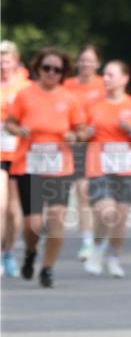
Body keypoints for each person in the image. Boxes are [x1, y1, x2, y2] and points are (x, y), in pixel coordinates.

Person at [4, 47, 86, 287]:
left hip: (60, 166)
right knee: (34, 224)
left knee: (56, 218)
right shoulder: (25, 96)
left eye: (57, 70)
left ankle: (48, 268)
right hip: (29, 165)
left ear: (63, 73)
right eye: (46, 68)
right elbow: (10, 123)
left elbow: (82, 129)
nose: (51, 73)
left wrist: (75, 136)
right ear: (37, 69)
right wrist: (19, 130)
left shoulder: (69, 99)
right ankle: (30, 252)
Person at [81, 60, 131, 278]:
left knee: (120, 217)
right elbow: (81, 133)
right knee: (106, 212)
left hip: (128, 168)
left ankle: (114, 256)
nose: (106, 78)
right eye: (105, 75)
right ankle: (98, 248)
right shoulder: (94, 107)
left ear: (124, 78)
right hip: (99, 166)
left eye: (111, 75)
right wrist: (85, 133)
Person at [63, 44, 106, 261]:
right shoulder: (68, 85)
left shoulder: (103, 85)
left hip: (98, 144)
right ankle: (87, 242)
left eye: (89, 60)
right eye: (82, 60)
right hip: (73, 143)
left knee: (98, 196)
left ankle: (99, 238)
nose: (85, 64)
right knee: (82, 192)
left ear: (97, 64)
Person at [0, 40, 31, 277]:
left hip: (20, 153)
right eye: (0, 60)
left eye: (7, 59)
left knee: (13, 211)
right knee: (0, 207)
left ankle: (8, 251)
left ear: (16, 61)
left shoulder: (26, 87)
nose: (3, 64)